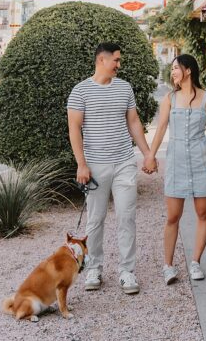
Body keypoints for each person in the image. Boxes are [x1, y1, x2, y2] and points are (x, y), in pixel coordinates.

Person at [67, 42, 157, 295]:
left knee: (127, 217)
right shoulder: (80, 91)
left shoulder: (124, 88)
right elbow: (74, 129)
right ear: (102, 60)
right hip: (95, 166)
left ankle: (127, 271)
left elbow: (134, 121)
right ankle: (94, 268)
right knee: (95, 220)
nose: (119, 64)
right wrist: (81, 164)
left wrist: (147, 154)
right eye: (116, 60)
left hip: (124, 163)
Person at [146, 54, 206, 284]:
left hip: (202, 160)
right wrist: (150, 156)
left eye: (176, 68)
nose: (173, 72)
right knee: (173, 216)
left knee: (203, 213)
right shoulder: (169, 98)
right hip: (176, 161)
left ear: (188, 70)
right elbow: (161, 129)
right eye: (172, 69)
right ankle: (168, 266)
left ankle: (195, 262)